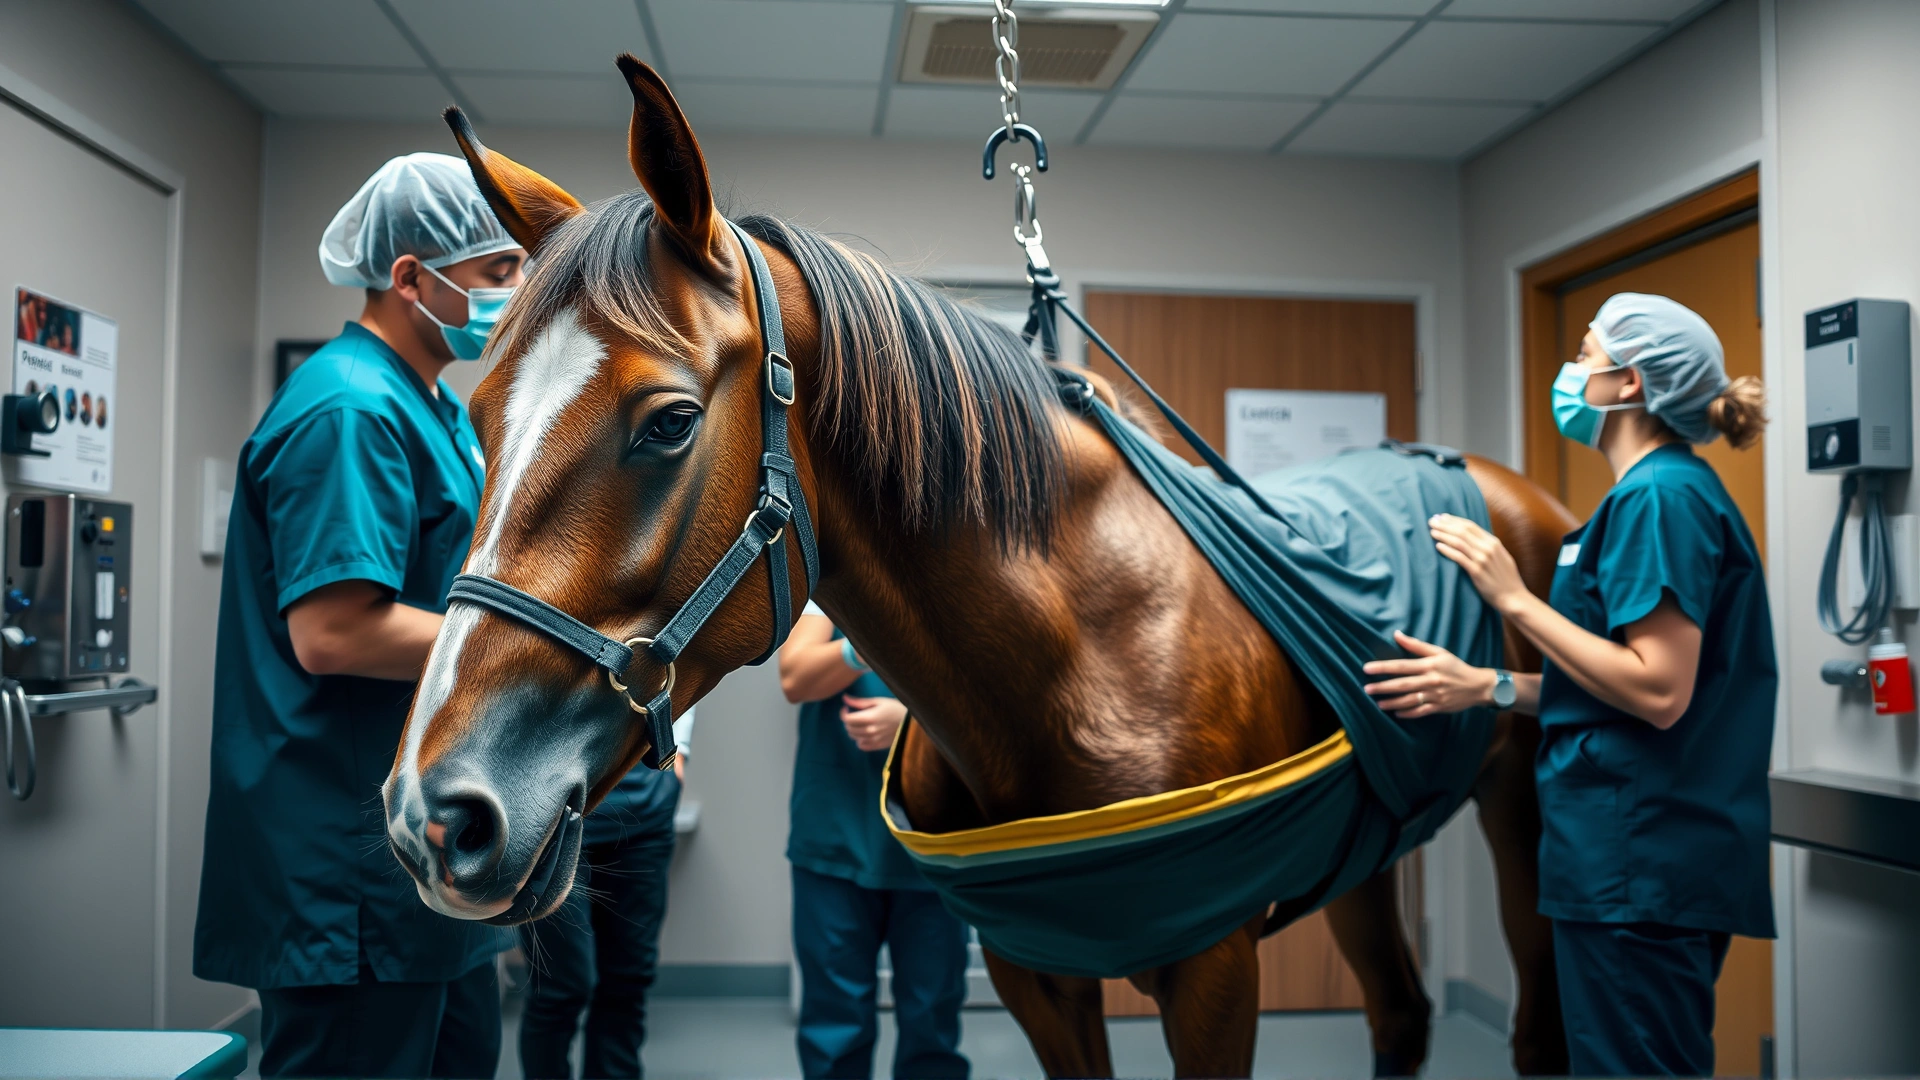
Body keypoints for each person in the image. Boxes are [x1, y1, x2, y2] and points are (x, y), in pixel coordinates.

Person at [1360, 293, 1774, 1077]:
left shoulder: (1663, 501)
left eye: (1586, 354)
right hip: (1627, 859)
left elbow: (1658, 690)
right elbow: (1608, 684)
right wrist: (1489, 687)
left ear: (1631, 385)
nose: (1572, 370)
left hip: (1644, 864)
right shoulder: (1644, 500)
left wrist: (1511, 597)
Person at [194, 152, 527, 1080]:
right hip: (346, 864)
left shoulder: (435, 409)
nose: (515, 290)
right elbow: (334, 633)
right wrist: (527, 643)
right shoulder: (351, 407)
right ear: (411, 277)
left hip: (419, 849)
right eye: (497, 272)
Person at [778, 603, 970, 1080]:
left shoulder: (955, 577)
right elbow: (795, 678)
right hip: (834, 838)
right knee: (833, 1032)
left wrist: (910, 725)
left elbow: (992, 702)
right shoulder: (832, 582)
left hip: (932, 844)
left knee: (932, 1029)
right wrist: (867, 643)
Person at [517, 709, 695, 1080]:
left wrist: (681, 750)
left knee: (628, 978)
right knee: (561, 985)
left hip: (645, 804)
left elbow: (685, 658)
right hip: (551, 806)